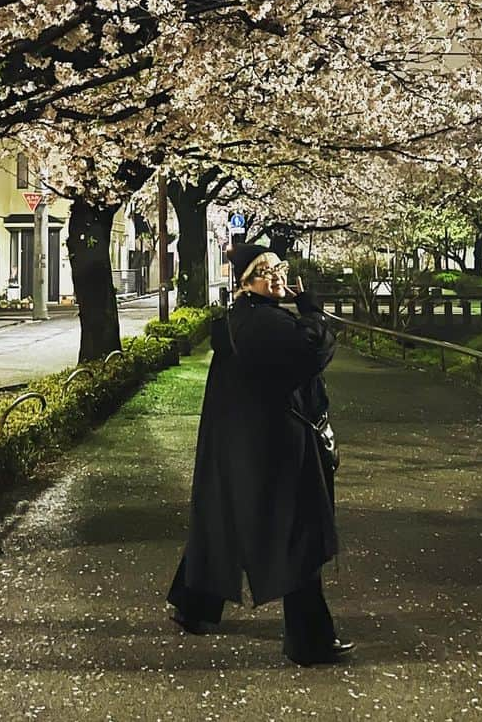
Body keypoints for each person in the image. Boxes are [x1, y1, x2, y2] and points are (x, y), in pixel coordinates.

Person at [167, 241, 353, 666]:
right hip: (275, 447)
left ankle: (194, 607)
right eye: (266, 270)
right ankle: (310, 641)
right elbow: (313, 350)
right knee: (297, 535)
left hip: (244, 442)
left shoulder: (247, 319)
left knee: (223, 521)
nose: (278, 275)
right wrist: (309, 307)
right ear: (246, 283)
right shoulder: (262, 323)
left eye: (278, 267)